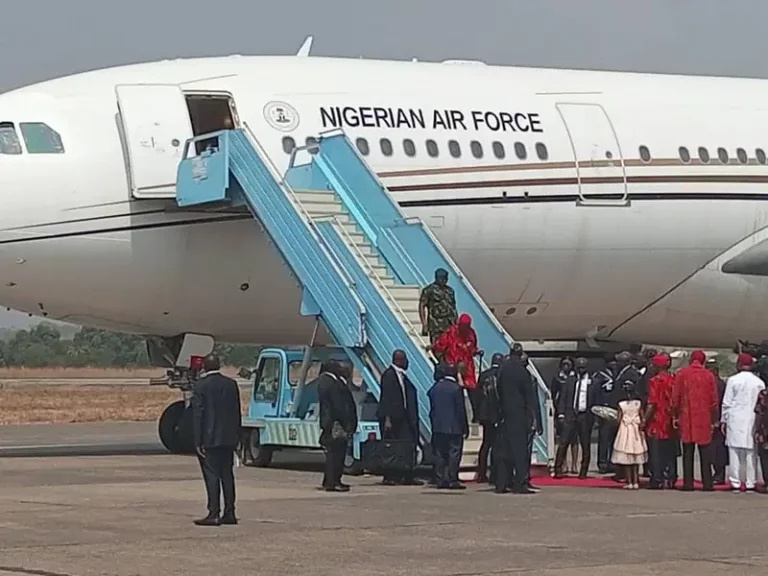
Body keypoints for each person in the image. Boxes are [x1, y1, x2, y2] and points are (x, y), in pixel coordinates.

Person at [191, 354, 242, 526]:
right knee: (227, 475)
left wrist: (197, 441)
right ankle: (230, 512)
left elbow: (198, 414)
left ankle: (213, 512)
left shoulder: (201, 386)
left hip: (210, 438)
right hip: (228, 438)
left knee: (212, 476)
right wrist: (238, 436)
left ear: (204, 367)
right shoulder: (231, 384)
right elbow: (236, 412)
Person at [671, 350, 719, 492]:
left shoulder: (682, 374)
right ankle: (707, 483)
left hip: (686, 417)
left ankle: (688, 483)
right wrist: (713, 419)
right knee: (705, 452)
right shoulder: (709, 376)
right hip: (704, 417)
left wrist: (675, 416)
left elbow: (676, 398)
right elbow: (714, 400)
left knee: (687, 452)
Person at [721, 353, 766, 493]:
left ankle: (735, 481)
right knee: (751, 452)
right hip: (752, 418)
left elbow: (727, 402)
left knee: (734, 451)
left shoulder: (733, 380)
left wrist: (724, 419)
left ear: (739, 365)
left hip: (735, 417)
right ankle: (750, 482)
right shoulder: (759, 382)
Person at [377, 350, 422, 486]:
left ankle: (407, 475)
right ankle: (390, 476)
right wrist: (387, 418)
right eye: (404, 359)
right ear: (399, 360)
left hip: (404, 416)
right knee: (391, 447)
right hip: (393, 417)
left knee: (407, 445)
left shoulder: (403, 376)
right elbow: (386, 398)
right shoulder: (389, 375)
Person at [494, 353, 536, 494]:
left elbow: (498, 392)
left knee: (503, 452)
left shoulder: (502, 372)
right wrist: (532, 417)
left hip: (504, 415)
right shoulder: (523, 373)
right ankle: (520, 483)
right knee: (520, 452)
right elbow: (529, 397)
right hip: (519, 416)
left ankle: (502, 483)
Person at [553, 357, 596, 479]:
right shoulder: (570, 381)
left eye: (583, 367)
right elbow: (563, 398)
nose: (581, 370)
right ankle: (558, 469)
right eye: (579, 367)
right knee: (563, 442)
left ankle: (583, 471)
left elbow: (596, 400)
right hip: (570, 414)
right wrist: (561, 413)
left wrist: (595, 417)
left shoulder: (593, 382)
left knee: (585, 444)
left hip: (584, 415)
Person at [428, 363, 469, 490]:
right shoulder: (456, 389)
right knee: (454, 453)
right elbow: (461, 410)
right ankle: (452, 479)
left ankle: (440, 479)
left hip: (438, 426)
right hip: (454, 426)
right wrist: (465, 427)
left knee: (440, 453)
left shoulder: (435, 388)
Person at [318, 360, 358, 492]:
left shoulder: (327, 381)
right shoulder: (332, 383)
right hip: (336, 423)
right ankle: (333, 482)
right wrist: (346, 423)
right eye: (339, 367)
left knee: (333, 454)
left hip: (331, 422)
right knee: (336, 454)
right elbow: (338, 406)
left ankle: (330, 480)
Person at [644, 353, 677, 489]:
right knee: (670, 451)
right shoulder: (674, 379)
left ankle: (656, 478)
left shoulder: (655, 381)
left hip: (657, 420)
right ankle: (671, 477)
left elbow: (652, 403)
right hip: (670, 419)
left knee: (656, 451)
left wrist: (644, 420)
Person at [612, 381, 648, 489]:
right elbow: (642, 417)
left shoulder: (621, 404)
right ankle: (636, 481)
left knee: (627, 458)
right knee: (636, 457)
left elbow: (618, 420)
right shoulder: (638, 403)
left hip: (625, 429)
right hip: (635, 429)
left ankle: (629, 482)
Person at [475, 352, 504, 483]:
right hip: (498, 413)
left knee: (486, 444)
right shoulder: (502, 375)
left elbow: (478, 395)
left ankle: (481, 473)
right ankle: (495, 473)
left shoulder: (484, 375)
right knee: (497, 445)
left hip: (485, 414)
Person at [433, 313, 480, 390]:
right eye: (463, 326)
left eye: (467, 327)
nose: (465, 329)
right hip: (452, 368)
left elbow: (474, 348)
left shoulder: (471, 334)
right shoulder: (451, 332)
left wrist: (474, 351)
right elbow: (439, 346)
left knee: (472, 389)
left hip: (468, 368)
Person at [551, 357, 579, 474]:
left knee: (574, 440)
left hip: (574, 410)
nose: (566, 366)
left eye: (568, 364)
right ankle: (564, 464)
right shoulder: (557, 378)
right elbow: (554, 395)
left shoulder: (576, 378)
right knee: (563, 440)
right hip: (562, 411)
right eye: (564, 364)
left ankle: (574, 465)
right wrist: (558, 411)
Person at [521, 352, 543, 492]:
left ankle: (523, 477)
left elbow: (535, 402)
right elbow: (533, 403)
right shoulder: (528, 378)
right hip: (525, 419)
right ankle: (522, 478)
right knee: (524, 451)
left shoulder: (530, 378)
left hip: (523, 419)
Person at [419, 268, 458, 344]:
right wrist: (424, 324)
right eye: (441, 278)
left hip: (450, 325)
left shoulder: (450, 291)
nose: (444, 280)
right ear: (437, 278)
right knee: (438, 348)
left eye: (445, 278)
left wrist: (457, 324)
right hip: (436, 326)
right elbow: (421, 306)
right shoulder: (429, 290)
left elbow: (454, 308)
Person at [594, 354, 619, 474]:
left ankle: (613, 462)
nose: (614, 364)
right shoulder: (599, 375)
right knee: (604, 438)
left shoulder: (619, 375)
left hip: (616, 409)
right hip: (604, 409)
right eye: (611, 362)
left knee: (615, 438)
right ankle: (602, 463)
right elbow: (595, 393)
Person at [706, 358, 729, 484]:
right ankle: (719, 474)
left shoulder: (713, 383)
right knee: (718, 448)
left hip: (713, 419)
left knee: (714, 448)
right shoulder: (721, 383)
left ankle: (718, 475)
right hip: (719, 419)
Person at [754, 386, 768, 493]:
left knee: (765, 456)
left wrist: (757, 430)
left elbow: (759, 413)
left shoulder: (764, 394)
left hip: (765, 429)